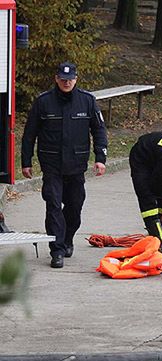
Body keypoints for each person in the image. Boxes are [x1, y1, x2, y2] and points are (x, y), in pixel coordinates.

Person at [21, 62, 108, 268]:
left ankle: (67, 239)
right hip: (51, 164)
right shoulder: (43, 102)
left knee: (74, 207)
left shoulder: (87, 101)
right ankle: (57, 250)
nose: (66, 82)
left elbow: (99, 130)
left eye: (70, 79)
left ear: (76, 79)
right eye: (62, 79)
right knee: (53, 206)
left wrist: (100, 158)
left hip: (76, 165)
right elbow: (29, 134)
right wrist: (26, 161)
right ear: (56, 79)